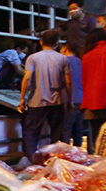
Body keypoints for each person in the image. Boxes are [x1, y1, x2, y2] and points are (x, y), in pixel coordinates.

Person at [19, 29, 71, 160]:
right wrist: (69, 99)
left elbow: (27, 78)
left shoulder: (33, 58)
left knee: (31, 132)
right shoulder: (63, 59)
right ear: (57, 43)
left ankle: (31, 160)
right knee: (57, 134)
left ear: (41, 42)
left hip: (36, 101)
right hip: (57, 101)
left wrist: (22, 99)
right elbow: (68, 81)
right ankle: (56, 161)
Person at [60, 42, 86, 147]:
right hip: (81, 98)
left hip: (70, 98)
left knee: (66, 129)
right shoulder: (80, 61)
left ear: (66, 48)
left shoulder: (65, 61)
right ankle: (78, 152)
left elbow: (67, 82)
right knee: (78, 129)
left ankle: (66, 153)